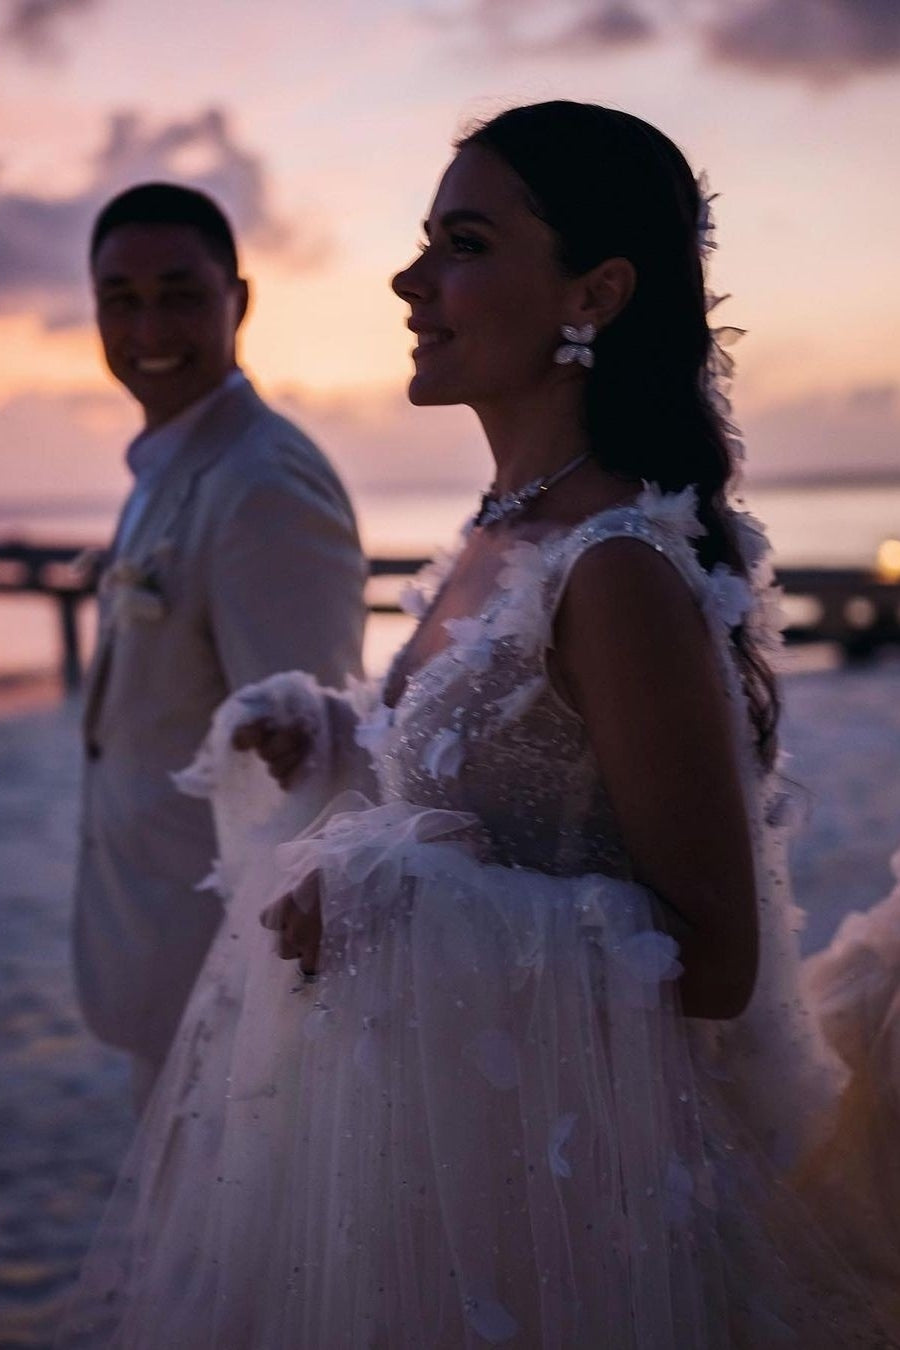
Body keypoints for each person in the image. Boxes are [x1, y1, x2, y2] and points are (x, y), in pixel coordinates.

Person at [60, 106, 897, 1346]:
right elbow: (503, 797)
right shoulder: (500, 531)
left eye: (462, 242)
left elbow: (714, 962)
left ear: (596, 293)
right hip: (442, 1147)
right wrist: (336, 742)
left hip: (578, 1199)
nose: (410, 281)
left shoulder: (613, 568)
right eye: (423, 242)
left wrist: (405, 906)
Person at [73, 182, 367, 1109]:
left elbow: (315, 766)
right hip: (158, 938)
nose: (149, 323)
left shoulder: (262, 484)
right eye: (121, 298)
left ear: (239, 299)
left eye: (180, 292)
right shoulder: (173, 461)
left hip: (226, 968)